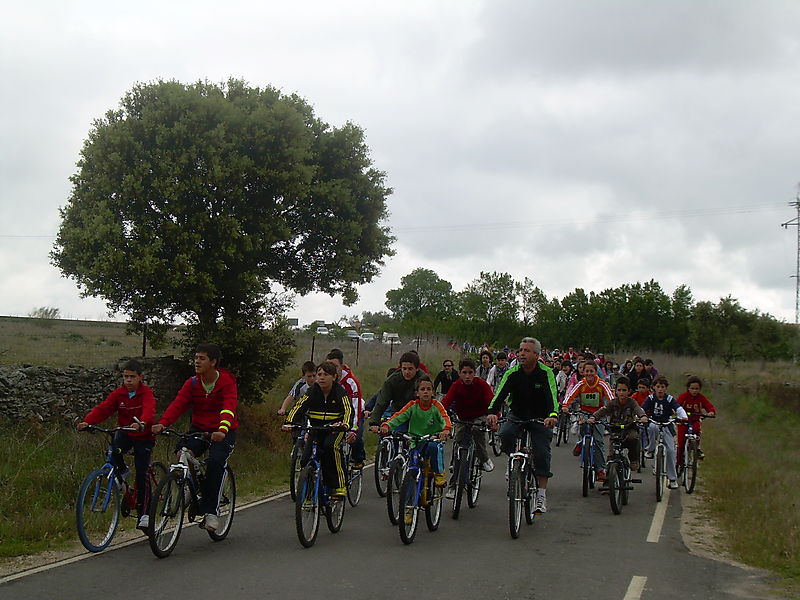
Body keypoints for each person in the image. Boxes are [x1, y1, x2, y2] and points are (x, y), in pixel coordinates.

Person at [152, 343, 237, 532]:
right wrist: (163, 424)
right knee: (183, 452)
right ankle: (189, 486)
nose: (197, 362)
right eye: (196, 358)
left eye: (202, 358)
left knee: (216, 463)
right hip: (199, 429)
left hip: (223, 431)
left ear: (213, 362)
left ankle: (211, 512)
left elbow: (228, 407)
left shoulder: (226, 382)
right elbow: (178, 405)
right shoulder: (192, 383)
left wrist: (222, 429)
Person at [77, 359, 156, 529]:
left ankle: (144, 513)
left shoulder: (146, 393)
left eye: (132, 377)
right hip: (125, 433)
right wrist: (87, 422)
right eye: (125, 377)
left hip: (143, 436)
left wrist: (142, 422)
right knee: (113, 451)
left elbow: (149, 410)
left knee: (142, 472)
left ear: (140, 377)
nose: (128, 380)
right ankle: (123, 471)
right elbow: (103, 409)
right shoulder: (119, 394)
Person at [487, 337, 559, 514]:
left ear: (536, 354)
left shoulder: (545, 373)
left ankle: (541, 494)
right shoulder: (512, 373)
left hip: (540, 417)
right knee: (504, 434)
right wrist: (491, 411)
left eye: (526, 351)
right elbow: (500, 394)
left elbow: (552, 397)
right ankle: (513, 461)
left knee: (542, 452)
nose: (521, 354)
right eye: (520, 350)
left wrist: (552, 415)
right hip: (517, 414)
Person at [282, 361, 354, 498]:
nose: (321, 377)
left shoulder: (340, 393)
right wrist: (289, 422)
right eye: (319, 374)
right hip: (315, 428)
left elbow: (348, 411)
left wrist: (344, 424)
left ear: (334, 377)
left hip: (335, 429)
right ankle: (308, 494)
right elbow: (299, 406)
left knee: (330, 448)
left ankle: (339, 485)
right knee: (306, 458)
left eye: (325, 374)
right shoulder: (312, 391)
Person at [380, 376, 451, 488]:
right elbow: (399, 416)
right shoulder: (412, 406)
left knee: (434, 448)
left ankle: (439, 474)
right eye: (422, 389)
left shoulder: (436, 406)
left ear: (433, 392)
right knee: (412, 464)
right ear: (417, 393)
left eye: (428, 389)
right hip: (415, 440)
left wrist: (446, 429)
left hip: (432, 439)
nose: (426, 392)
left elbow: (444, 418)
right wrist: (387, 425)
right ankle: (409, 496)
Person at [440, 358, 495, 499]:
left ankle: (483, 458)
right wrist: (437, 414)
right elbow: (445, 402)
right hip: (462, 418)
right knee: (458, 443)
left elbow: (492, 402)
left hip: (479, 416)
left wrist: (493, 416)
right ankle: (453, 486)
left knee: (477, 432)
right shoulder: (456, 385)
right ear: (459, 373)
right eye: (464, 372)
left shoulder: (482, 385)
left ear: (474, 373)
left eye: (470, 372)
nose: (467, 376)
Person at [562, 360, 614, 481]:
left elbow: (610, 397)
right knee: (582, 426)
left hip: (599, 414)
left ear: (596, 372)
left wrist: (613, 406)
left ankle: (600, 469)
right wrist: (565, 405)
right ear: (583, 372)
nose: (589, 374)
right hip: (584, 413)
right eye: (587, 371)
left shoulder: (602, 384)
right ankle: (580, 443)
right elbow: (570, 395)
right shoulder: (581, 384)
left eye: (592, 371)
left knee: (599, 441)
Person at [588, 377, 647, 471]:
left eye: (624, 390)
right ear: (615, 391)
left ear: (629, 391)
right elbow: (603, 410)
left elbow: (637, 409)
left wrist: (642, 416)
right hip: (615, 430)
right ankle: (609, 476)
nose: (621, 393)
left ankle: (633, 460)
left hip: (629, 429)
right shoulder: (612, 403)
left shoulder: (632, 402)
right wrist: (594, 417)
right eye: (619, 390)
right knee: (611, 455)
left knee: (634, 438)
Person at [642, 375, 688, 490]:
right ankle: (651, 449)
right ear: (654, 388)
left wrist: (683, 417)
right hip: (654, 422)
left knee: (671, 451)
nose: (660, 389)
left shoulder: (669, 399)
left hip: (667, 424)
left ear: (666, 388)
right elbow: (642, 409)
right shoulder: (651, 398)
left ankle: (672, 479)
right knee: (652, 428)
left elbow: (678, 408)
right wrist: (641, 416)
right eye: (658, 387)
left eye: (662, 387)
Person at [326, 349, 365, 468]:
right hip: (334, 415)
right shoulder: (324, 380)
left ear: (342, 367)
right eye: (329, 366)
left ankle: (358, 458)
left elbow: (355, 407)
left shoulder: (351, 382)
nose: (332, 370)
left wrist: (353, 430)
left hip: (353, 413)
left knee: (355, 438)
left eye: (335, 366)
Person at [369, 351, 425, 430]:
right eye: (404, 369)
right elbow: (382, 401)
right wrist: (374, 422)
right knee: (395, 435)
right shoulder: (392, 380)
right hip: (399, 415)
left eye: (410, 369)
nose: (407, 372)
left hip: (419, 416)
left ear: (417, 369)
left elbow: (430, 401)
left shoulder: (424, 380)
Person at [676, 376, 716, 463]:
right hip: (683, 421)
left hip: (695, 420)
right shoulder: (683, 396)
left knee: (697, 429)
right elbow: (676, 405)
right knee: (681, 443)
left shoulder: (701, 398)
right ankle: (678, 462)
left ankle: (696, 448)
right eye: (692, 388)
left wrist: (711, 412)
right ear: (688, 388)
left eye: (697, 389)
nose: (694, 391)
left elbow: (709, 405)